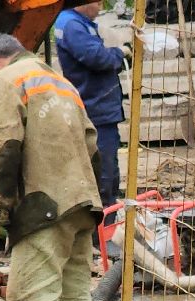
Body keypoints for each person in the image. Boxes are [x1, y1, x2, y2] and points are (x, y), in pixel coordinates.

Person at [0, 33, 103, 301]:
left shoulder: (7, 80)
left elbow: (4, 147)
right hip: (82, 203)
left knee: (31, 298)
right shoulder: (61, 82)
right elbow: (92, 145)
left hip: (44, 206)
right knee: (73, 298)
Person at [52, 1, 127, 215]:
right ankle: (104, 224)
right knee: (104, 171)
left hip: (96, 105)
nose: (101, 6)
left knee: (102, 169)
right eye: (98, 2)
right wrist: (120, 53)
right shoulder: (72, 25)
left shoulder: (73, 22)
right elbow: (97, 58)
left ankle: (102, 219)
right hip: (96, 108)